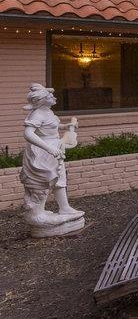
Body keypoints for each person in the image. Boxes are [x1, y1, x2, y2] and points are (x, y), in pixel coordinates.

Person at [20, 83, 84, 229]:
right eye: (50, 96)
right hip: (43, 153)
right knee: (43, 181)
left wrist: (66, 126)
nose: (54, 97)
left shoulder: (48, 112)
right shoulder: (37, 114)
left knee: (59, 178)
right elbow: (28, 134)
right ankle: (37, 213)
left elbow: (52, 127)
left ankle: (64, 207)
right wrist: (48, 148)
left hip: (54, 150)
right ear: (41, 100)